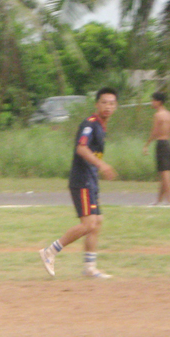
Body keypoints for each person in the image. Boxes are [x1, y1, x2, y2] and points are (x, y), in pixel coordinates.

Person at [39, 88, 119, 279]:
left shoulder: (101, 126)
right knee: (88, 224)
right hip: (82, 180)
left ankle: (89, 267)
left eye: (111, 103)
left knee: (97, 222)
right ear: (97, 104)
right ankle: (50, 251)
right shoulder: (90, 124)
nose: (108, 106)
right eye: (104, 102)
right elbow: (81, 148)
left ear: (115, 106)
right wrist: (102, 165)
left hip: (91, 180)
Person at [143, 91, 170, 206]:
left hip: (161, 144)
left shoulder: (158, 115)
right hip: (169, 144)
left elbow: (154, 132)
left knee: (165, 173)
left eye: (153, 100)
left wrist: (146, 145)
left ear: (159, 102)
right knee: (164, 172)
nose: (152, 102)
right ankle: (159, 200)